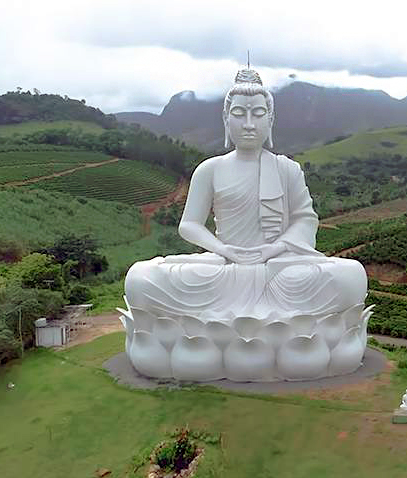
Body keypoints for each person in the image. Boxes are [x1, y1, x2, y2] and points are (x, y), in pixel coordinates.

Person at [122, 68, 367, 381]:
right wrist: (225, 250)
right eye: (239, 114)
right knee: (141, 278)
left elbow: (306, 219)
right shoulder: (210, 169)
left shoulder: (287, 169)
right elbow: (190, 226)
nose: (249, 124)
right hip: (223, 267)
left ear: (270, 120)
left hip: (278, 268)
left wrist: (273, 250)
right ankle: (296, 343)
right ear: (226, 119)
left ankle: (199, 343)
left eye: (258, 114)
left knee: (350, 276)